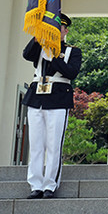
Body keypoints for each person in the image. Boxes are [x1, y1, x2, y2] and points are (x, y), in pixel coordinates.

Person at [23, 13, 82, 199]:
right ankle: (35, 184)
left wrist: (54, 57)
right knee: (36, 144)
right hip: (36, 97)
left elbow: (71, 72)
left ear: (65, 31)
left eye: (59, 28)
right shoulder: (41, 46)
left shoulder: (73, 51)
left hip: (58, 98)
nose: (56, 31)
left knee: (54, 144)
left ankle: (50, 184)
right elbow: (26, 54)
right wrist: (39, 37)